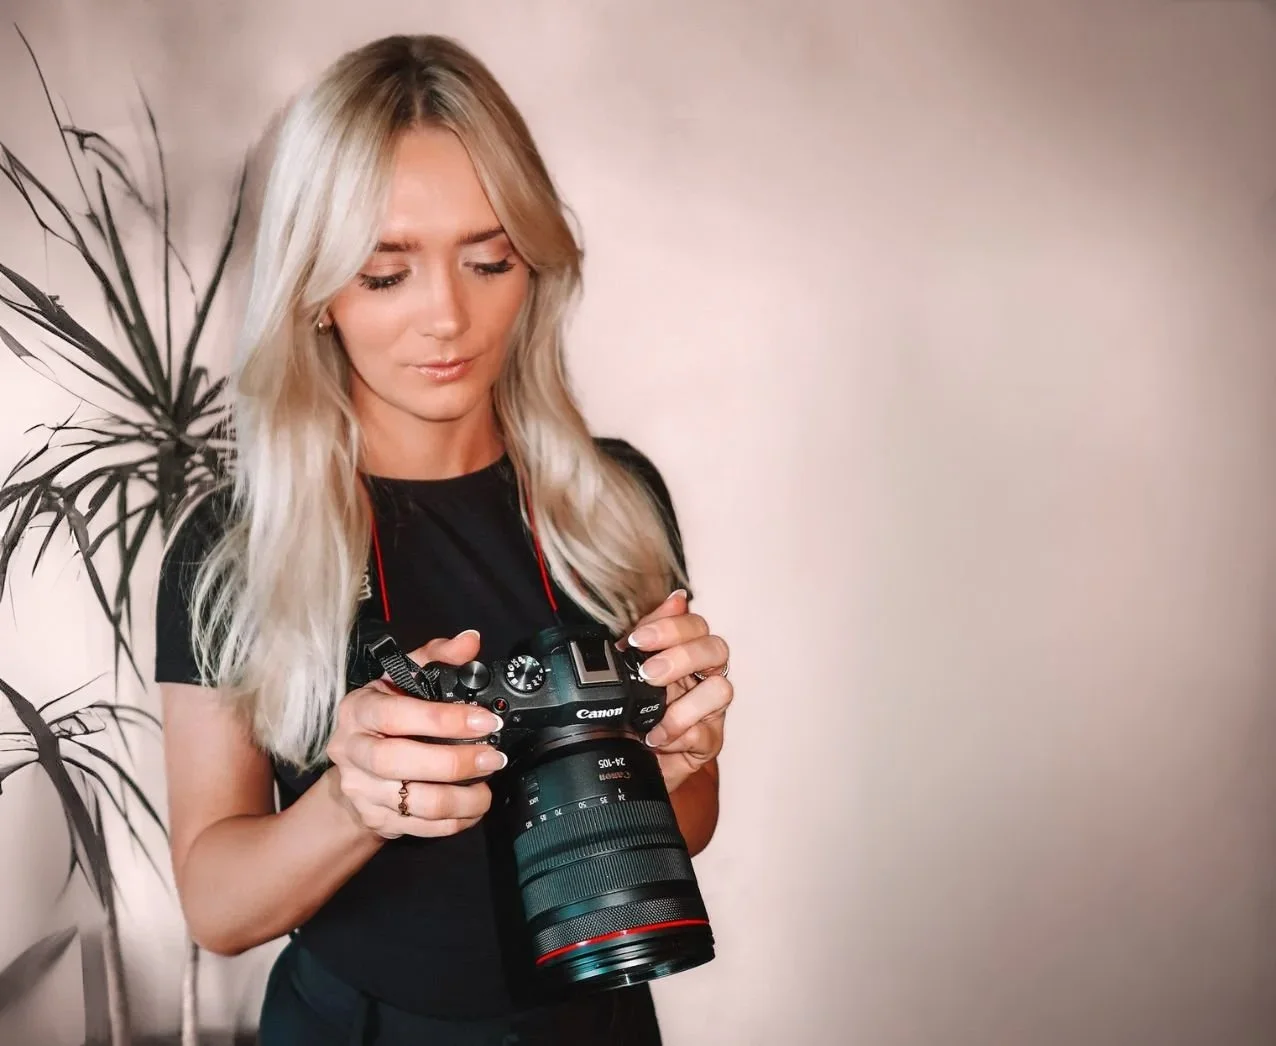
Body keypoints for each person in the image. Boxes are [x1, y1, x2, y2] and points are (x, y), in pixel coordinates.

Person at [154, 33, 733, 1046]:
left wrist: (680, 766)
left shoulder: (611, 500)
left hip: (597, 1017)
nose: (449, 317)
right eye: (386, 275)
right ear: (315, 292)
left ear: (534, 262)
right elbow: (217, 904)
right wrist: (354, 802)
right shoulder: (232, 547)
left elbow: (682, 829)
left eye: (488, 258)